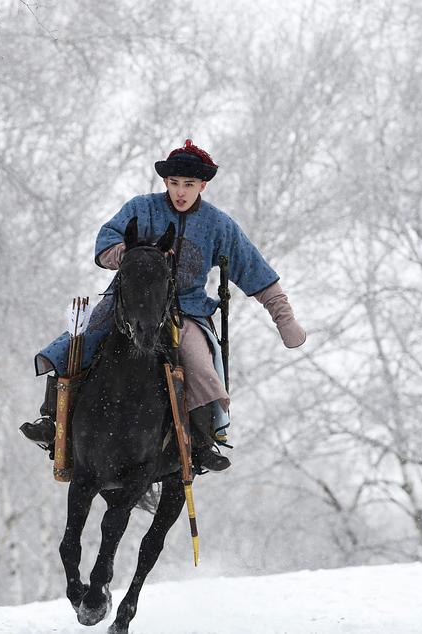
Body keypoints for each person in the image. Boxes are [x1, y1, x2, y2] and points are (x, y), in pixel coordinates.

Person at [21, 139, 306, 471]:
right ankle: (53, 419)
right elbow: (106, 241)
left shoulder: (218, 225)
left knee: (200, 365)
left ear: (202, 185)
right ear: (165, 182)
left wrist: (284, 318)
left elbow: (255, 271)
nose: (180, 192)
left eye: (189, 184)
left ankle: (201, 441)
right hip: (127, 302)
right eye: (174, 183)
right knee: (79, 341)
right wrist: (126, 254)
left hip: (185, 310)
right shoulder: (142, 208)